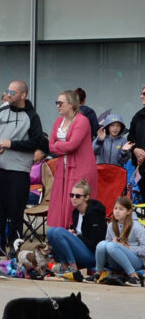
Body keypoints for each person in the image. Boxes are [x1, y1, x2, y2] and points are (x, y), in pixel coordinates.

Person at [0, 80, 46, 249]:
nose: (8, 94)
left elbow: (39, 143)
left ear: (23, 95)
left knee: (15, 211)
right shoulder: (0, 111)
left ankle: (15, 247)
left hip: (19, 170)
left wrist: (12, 144)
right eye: (8, 90)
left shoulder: (32, 116)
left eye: (12, 92)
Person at [48, 90, 98, 232]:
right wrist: (59, 146)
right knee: (59, 202)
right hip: (62, 168)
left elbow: (72, 145)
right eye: (56, 102)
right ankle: (59, 234)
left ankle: (73, 233)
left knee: (74, 201)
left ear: (71, 104)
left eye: (60, 103)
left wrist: (58, 145)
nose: (57, 105)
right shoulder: (58, 121)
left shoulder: (82, 121)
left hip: (80, 168)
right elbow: (50, 144)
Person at [44, 178, 106, 281]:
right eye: (71, 195)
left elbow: (97, 243)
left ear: (86, 197)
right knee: (51, 231)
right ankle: (64, 266)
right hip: (80, 250)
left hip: (92, 255)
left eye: (77, 196)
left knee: (59, 231)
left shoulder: (95, 214)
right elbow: (77, 232)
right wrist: (72, 233)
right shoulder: (76, 212)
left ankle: (73, 269)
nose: (73, 198)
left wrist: (78, 237)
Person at [95, 194, 145, 285]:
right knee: (101, 244)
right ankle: (98, 274)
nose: (117, 212)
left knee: (111, 245)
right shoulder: (110, 226)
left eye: (121, 209)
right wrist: (114, 243)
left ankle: (134, 277)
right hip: (116, 261)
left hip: (136, 262)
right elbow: (107, 246)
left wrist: (127, 247)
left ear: (129, 211)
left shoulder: (137, 226)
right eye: (115, 208)